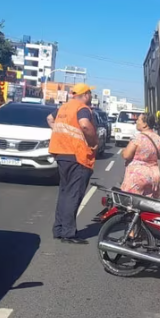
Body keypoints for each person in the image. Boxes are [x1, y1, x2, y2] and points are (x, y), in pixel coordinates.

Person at [47, 83, 99, 244]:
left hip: (61, 153)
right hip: (77, 155)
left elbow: (49, 118)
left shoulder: (64, 108)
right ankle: (68, 233)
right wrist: (93, 141)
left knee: (64, 192)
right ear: (85, 94)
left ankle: (59, 229)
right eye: (90, 93)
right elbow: (84, 124)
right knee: (74, 194)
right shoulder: (82, 108)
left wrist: (61, 134)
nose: (90, 96)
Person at [120, 113, 160, 198]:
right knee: (149, 204)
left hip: (137, 176)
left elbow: (126, 155)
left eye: (138, 120)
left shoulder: (138, 138)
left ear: (145, 124)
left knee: (130, 203)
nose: (136, 121)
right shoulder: (159, 139)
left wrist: (123, 151)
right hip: (154, 176)